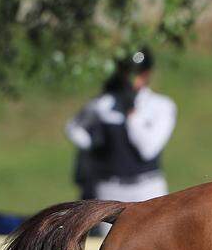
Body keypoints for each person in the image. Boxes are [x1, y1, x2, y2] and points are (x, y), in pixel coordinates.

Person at [65, 48, 176, 219]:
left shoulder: (161, 106)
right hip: (110, 187)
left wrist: (131, 115)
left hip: (148, 188)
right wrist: (93, 144)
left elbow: (147, 149)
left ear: (147, 74)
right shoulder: (103, 104)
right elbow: (74, 127)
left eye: (137, 73)